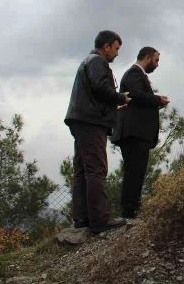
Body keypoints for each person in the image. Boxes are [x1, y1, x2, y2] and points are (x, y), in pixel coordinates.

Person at [64, 30, 130, 234]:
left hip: (81, 118)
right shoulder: (98, 62)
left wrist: (112, 106)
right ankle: (100, 220)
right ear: (106, 46)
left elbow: (94, 93)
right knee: (96, 169)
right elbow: (101, 87)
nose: (117, 53)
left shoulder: (88, 61)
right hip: (90, 121)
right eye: (116, 48)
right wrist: (120, 98)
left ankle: (82, 218)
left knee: (83, 169)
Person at [111, 46, 170, 219]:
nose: (157, 64)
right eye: (156, 60)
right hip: (134, 133)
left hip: (137, 133)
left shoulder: (137, 75)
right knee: (134, 171)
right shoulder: (134, 73)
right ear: (147, 58)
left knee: (136, 171)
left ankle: (132, 207)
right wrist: (157, 99)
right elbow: (135, 95)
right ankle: (130, 210)